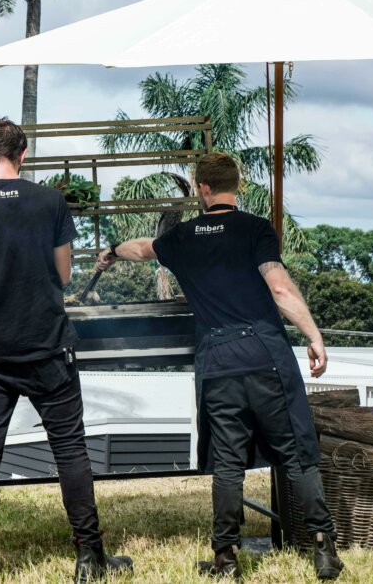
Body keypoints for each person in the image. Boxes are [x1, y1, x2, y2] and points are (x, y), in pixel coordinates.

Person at [95, 152, 343, 580]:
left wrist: (111, 252)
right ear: (236, 186)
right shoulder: (256, 229)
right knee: (296, 455)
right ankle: (323, 548)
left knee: (228, 462)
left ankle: (225, 558)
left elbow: (140, 248)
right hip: (265, 356)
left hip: (218, 361)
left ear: (201, 189)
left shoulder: (183, 236)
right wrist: (314, 335)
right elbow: (280, 287)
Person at [0, 118, 134, 584]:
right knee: (69, 448)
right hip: (47, 348)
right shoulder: (50, 201)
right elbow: (63, 276)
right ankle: (89, 555)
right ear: (23, 156)